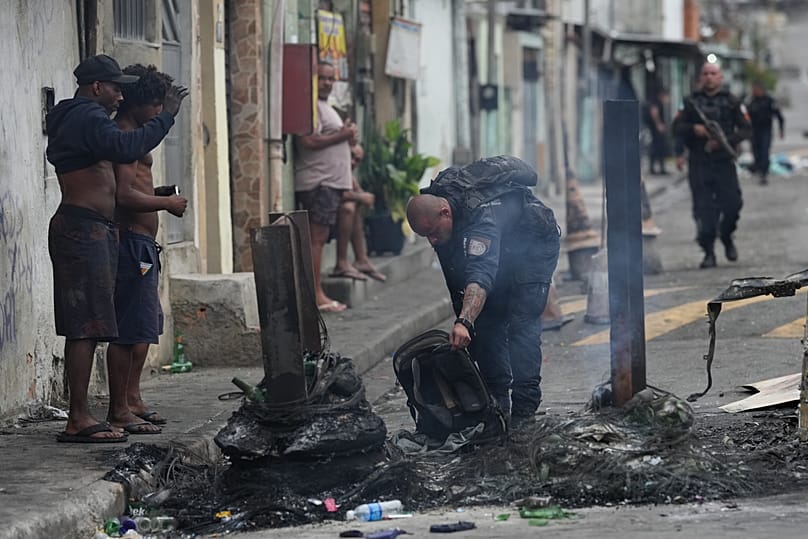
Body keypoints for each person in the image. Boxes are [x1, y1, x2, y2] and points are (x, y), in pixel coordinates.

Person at [46, 54, 187, 443]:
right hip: (82, 229)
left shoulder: (82, 119)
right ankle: (78, 419)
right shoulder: (86, 117)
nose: (120, 97)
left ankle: (86, 415)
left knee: (92, 326)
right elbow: (128, 147)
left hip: (93, 230)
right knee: (85, 327)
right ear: (97, 88)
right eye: (114, 88)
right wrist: (167, 116)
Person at [406, 156, 560, 425]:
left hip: (533, 246)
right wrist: (468, 320)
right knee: (487, 323)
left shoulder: (482, 217)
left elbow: (480, 271)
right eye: (425, 236)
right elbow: (457, 277)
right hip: (503, 248)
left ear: (445, 213)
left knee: (521, 324)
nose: (431, 240)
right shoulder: (442, 212)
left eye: (432, 232)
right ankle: (497, 403)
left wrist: (464, 321)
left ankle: (524, 410)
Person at [106, 64, 189, 435]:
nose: (159, 112)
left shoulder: (135, 136)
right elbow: (123, 196)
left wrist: (157, 196)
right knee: (129, 331)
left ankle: (134, 398)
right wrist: (166, 205)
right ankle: (120, 406)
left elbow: (132, 190)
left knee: (143, 329)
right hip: (131, 244)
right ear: (139, 102)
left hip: (142, 244)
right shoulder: (125, 136)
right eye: (155, 104)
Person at [673, 63, 752, 269]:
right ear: (701, 77)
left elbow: (746, 129)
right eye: (705, 73)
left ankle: (726, 235)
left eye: (713, 73)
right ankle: (708, 252)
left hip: (724, 161)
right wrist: (694, 129)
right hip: (699, 162)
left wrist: (726, 140)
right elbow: (677, 128)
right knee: (703, 209)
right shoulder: (690, 102)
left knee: (733, 204)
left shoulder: (732, 101)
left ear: (720, 77)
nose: (709, 77)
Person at [294, 61, 358, 312]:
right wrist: (343, 136)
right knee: (316, 240)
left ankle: (318, 293)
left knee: (319, 239)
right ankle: (317, 295)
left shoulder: (325, 107)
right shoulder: (309, 107)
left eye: (331, 78)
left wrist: (350, 139)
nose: (328, 83)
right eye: (322, 78)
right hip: (319, 183)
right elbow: (307, 140)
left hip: (329, 184)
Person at [330, 144, 386, 282]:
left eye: (358, 160)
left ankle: (362, 259)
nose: (353, 162)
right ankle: (342, 262)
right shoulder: (333, 166)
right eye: (351, 156)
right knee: (349, 207)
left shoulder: (348, 173)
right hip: (323, 215)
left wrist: (362, 196)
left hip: (338, 217)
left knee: (354, 205)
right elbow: (335, 193)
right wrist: (360, 197)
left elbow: (358, 191)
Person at [747, 81, 785, 185]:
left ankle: (764, 173)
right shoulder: (751, 101)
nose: (755, 92)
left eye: (756, 90)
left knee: (764, 151)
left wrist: (781, 130)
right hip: (754, 130)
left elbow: (779, 116)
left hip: (765, 130)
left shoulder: (769, 101)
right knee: (755, 151)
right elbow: (745, 116)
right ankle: (758, 169)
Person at [644, 88, 671, 175]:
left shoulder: (656, 101)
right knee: (658, 148)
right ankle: (658, 168)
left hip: (655, 129)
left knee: (657, 148)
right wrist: (659, 125)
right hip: (656, 130)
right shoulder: (656, 102)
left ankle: (656, 168)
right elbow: (654, 112)